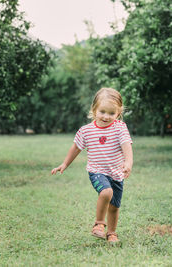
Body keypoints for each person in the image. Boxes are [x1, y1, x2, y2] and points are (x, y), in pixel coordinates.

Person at [51, 87, 133, 244]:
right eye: (102, 111)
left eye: (111, 113)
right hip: (97, 171)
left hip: (117, 173)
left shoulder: (119, 128)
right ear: (94, 109)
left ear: (118, 113)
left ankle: (112, 233)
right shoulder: (86, 131)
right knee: (106, 192)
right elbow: (76, 148)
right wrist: (64, 164)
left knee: (114, 206)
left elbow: (126, 146)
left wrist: (128, 163)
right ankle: (99, 224)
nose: (106, 116)